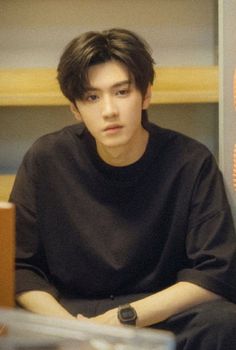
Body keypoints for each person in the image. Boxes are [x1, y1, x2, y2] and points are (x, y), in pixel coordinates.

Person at [10, 28, 236, 350]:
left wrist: (121, 320)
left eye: (121, 92)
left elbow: (216, 270)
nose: (108, 111)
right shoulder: (46, 159)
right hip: (68, 315)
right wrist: (69, 333)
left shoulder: (191, 161)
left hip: (156, 315)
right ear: (75, 108)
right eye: (91, 97)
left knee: (224, 322)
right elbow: (20, 266)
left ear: (146, 95)